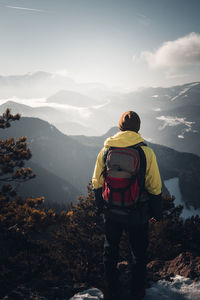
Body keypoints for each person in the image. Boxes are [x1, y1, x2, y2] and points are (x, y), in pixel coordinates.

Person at [92, 111, 162, 300]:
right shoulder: (145, 152)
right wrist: (157, 212)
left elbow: (96, 181)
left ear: (120, 127)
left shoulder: (106, 150)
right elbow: (154, 186)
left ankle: (112, 288)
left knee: (110, 249)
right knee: (138, 253)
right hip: (137, 213)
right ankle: (137, 291)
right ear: (138, 129)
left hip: (111, 210)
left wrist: (100, 205)